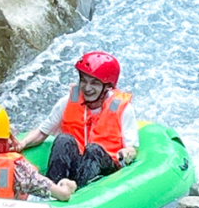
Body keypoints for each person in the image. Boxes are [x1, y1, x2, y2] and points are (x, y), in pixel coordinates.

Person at [17, 51, 138, 190]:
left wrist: (127, 153)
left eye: (94, 83)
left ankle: (79, 192)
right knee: (64, 139)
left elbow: (131, 148)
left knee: (93, 150)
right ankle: (52, 189)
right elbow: (42, 132)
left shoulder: (123, 109)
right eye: (84, 80)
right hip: (77, 164)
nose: (87, 88)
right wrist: (22, 144)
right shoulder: (67, 101)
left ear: (107, 86)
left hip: (105, 169)